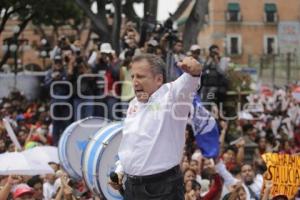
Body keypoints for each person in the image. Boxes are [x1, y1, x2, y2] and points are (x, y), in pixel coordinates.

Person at [109, 54, 202, 200]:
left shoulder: (172, 96)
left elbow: (190, 80)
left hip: (162, 189)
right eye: (132, 76)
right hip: (131, 188)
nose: (134, 82)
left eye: (140, 76)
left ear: (158, 79)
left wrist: (194, 71)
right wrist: (120, 170)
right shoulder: (133, 104)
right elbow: (132, 143)